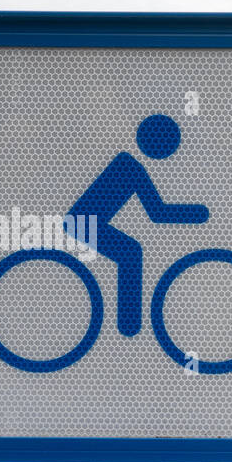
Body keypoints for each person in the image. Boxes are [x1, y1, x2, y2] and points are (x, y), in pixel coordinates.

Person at [67, 114, 209, 337]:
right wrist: (198, 214)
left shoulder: (130, 162)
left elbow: (155, 212)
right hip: (83, 223)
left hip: (85, 221)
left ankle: (128, 324)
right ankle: (129, 324)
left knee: (130, 250)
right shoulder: (130, 166)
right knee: (131, 252)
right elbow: (157, 213)